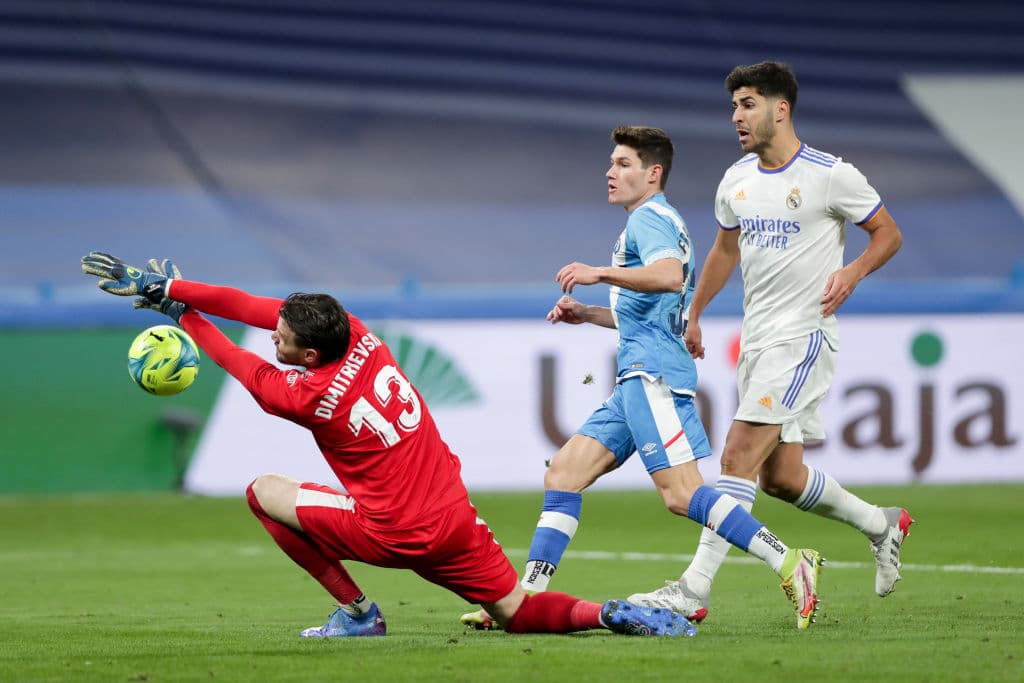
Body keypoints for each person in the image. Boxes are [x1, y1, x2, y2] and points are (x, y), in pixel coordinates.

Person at [80, 251, 695, 638]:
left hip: (391, 530)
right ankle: (609, 613)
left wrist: (180, 313)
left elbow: (234, 356)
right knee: (515, 611)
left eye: (284, 340)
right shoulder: (361, 333)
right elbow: (250, 309)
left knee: (262, 491)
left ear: (310, 355)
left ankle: (357, 614)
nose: (275, 339)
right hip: (452, 516)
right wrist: (176, 291)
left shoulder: (299, 396)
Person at [462, 125, 823, 631]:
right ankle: (524, 600)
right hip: (634, 377)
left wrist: (599, 272)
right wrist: (588, 314)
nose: (611, 172)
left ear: (653, 174)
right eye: (611, 163)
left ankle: (789, 560)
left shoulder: (650, 219)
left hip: (652, 376)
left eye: (624, 164)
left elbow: (669, 275)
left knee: (681, 495)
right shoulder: (655, 220)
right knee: (563, 473)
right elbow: (650, 305)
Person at [626, 61, 911, 620]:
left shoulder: (831, 175)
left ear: (781, 109)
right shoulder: (736, 180)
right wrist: (695, 311)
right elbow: (724, 251)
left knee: (735, 456)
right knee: (781, 478)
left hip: (802, 339)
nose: (737, 115)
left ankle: (694, 589)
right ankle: (883, 523)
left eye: (748, 103)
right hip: (756, 342)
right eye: (734, 105)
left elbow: (888, 233)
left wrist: (852, 273)